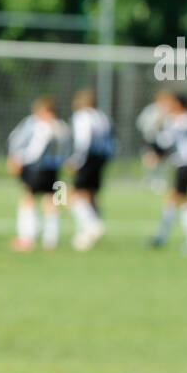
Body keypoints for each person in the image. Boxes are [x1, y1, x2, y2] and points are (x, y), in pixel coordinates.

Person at [6, 96, 70, 252]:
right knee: (52, 200)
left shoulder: (39, 125)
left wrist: (19, 159)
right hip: (54, 169)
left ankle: (27, 238)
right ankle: (51, 240)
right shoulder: (62, 127)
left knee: (29, 198)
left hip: (38, 168)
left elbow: (32, 149)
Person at [149, 92, 187, 254]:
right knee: (173, 199)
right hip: (182, 162)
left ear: (179, 104)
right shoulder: (179, 119)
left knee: (183, 199)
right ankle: (161, 237)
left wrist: (156, 153)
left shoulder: (185, 120)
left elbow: (167, 140)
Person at [65, 88, 115, 251]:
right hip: (100, 159)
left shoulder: (82, 116)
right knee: (90, 194)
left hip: (87, 158)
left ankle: (92, 225)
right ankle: (89, 231)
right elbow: (111, 140)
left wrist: (76, 160)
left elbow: (83, 140)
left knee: (73, 195)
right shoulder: (102, 116)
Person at [136, 93, 172, 192]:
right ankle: (150, 178)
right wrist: (155, 123)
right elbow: (141, 123)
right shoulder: (151, 110)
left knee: (161, 160)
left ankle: (159, 179)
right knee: (151, 159)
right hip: (151, 138)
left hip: (163, 140)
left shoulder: (168, 110)